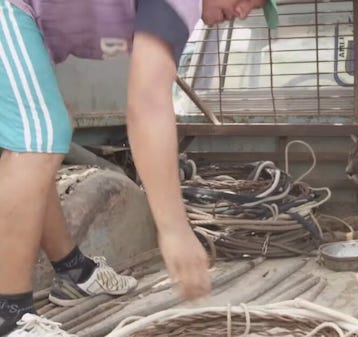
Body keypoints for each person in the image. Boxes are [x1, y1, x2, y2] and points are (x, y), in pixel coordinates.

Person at [0, 0, 278, 335]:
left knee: (44, 135)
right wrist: (174, 229)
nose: (244, 11)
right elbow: (147, 103)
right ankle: (10, 315)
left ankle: (74, 271)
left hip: (28, 20)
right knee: (42, 134)